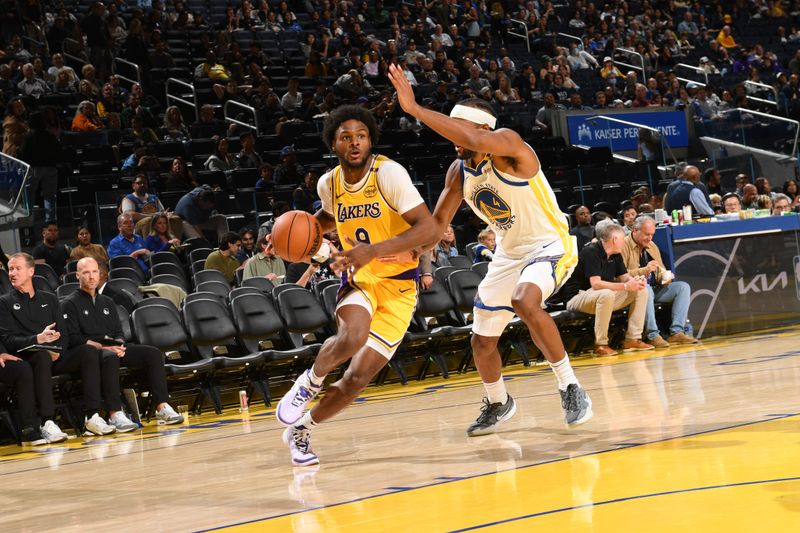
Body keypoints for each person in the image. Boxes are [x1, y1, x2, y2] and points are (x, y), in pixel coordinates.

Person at [387, 63, 592, 437]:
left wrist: (415, 109)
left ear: (482, 129)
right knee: (481, 341)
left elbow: (479, 141)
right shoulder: (459, 171)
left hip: (550, 243)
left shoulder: (510, 145)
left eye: (460, 132)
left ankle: (570, 386)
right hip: (510, 254)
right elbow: (435, 226)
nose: (455, 141)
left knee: (524, 300)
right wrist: (410, 254)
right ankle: (499, 402)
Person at [276, 104, 437, 466]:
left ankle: (302, 429)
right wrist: (287, 234)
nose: (354, 142)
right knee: (353, 337)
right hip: (359, 277)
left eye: (361, 136)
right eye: (346, 136)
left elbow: (429, 229)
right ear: (333, 143)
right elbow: (327, 220)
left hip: (400, 288)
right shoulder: (328, 183)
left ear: (370, 140)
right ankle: (309, 382)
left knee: (357, 378)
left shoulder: (389, 174)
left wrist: (374, 250)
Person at [0, 253, 116, 438]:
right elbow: (9, 341)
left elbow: (64, 334)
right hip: (29, 357)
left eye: (17, 268)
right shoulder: (5, 302)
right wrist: (38, 340)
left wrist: (58, 350)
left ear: (31, 271)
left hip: (56, 356)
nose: (12, 273)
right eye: (10, 269)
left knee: (88, 350)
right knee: (41, 356)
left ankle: (92, 416)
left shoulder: (50, 298)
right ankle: (48, 421)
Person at [61, 257, 184, 428]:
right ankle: (115, 413)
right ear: (77, 276)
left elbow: (118, 332)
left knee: (152, 353)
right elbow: (73, 338)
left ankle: (162, 406)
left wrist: (118, 344)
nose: (91, 277)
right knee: (108, 356)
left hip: (112, 347)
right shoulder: (69, 303)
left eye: (94, 272)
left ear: (100, 274)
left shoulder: (108, 302)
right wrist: (105, 347)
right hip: (90, 352)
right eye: (86, 272)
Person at [562, 220, 654, 356]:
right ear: (615, 239)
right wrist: (625, 286)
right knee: (606, 293)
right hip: (577, 298)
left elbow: (625, 278)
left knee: (641, 290)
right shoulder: (591, 251)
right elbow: (596, 284)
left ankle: (633, 339)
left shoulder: (616, 254)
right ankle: (601, 344)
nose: (624, 242)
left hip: (601, 297)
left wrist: (636, 281)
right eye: (623, 239)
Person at [621, 216, 697, 348]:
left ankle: (677, 332)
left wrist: (665, 276)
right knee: (646, 289)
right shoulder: (624, 246)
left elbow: (659, 270)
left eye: (652, 234)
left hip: (654, 288)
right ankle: (653, 335)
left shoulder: (652, 246)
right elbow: (620, 275)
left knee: (683, 287)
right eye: (646, 234)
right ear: (635, 230)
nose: (649, 238)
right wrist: (644, 270)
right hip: (631, 290)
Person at [19, 111, 63, 224]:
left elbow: (23, 153)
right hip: (50, 168)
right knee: (50, 196)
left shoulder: (28, 136)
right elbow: (58, 151)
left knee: (29, 195)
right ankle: (51, 220)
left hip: (33, 169)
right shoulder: (50, 135)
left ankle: (28, 219)